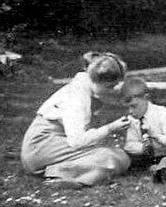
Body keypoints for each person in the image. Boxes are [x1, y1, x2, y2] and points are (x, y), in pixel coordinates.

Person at [20, 51, 132, 189]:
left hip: (45, 146)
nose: (111, 90)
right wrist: (110, 128)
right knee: (114, 157)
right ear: (95, 80)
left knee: (115, 154)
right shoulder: (77, 99)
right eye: (109, 86)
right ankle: (67, 176)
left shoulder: (83, 87)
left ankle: (62, 171)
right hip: (42, 146)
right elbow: (77, 141)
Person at [119, 77, 166, 171]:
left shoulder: (163, 114)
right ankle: (152, 167)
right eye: (127, 108)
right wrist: (142, 147)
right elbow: (129, 143)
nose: (130, 111)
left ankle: (162, 168)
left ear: (146, 98)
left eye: (134, 106)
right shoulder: (132, 120)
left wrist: (156, 136)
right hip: (146, 156)